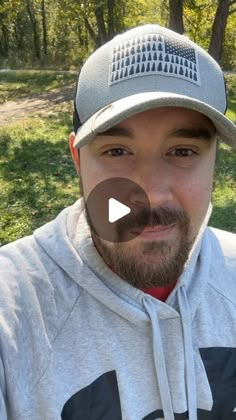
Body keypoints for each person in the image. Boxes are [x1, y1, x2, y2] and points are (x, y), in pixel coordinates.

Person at [0, 23, 235, 420]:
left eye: (181, 151)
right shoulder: (15, 309)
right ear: (78, 159)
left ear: (215, 159)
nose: (153, 193)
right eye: (117, 150)